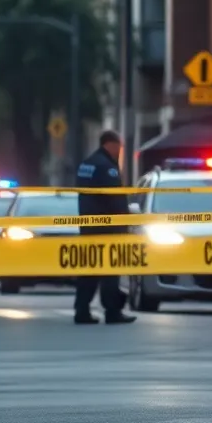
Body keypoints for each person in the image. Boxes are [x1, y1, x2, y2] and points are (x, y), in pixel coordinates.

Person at [73, 129, 136, 325]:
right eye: (119, 147)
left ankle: (81, 310)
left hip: (88, 226)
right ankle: (112, 311)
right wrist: (123, 224)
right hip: (108, 228)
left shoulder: (86, 164)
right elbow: (115, 199)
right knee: (110, 271)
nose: (120, 152)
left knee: (89, 270)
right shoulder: (107, 167)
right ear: (112, 144)